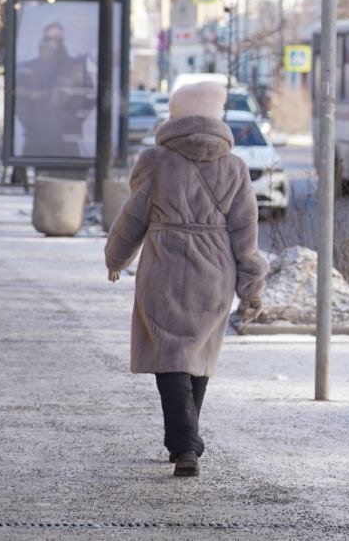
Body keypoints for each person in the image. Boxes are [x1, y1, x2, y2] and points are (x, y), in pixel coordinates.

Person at [104, 81, 267, 478]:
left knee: (169, 352)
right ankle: (186, 438)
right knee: (197, 353)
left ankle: (184, 443)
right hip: (216, 270)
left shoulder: (155, 160)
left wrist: (116, 258)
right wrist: (251, 287)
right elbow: (246, 232)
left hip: (165, 266)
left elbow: (134, 216)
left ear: (176, 115)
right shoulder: (235, 167)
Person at [14, 21, 95, 157]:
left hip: (66, 142)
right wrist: (33, 124)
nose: (52, 43)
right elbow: (20, 101)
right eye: (48, 39)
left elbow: (87, 98)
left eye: (57, 39)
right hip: (36, 141)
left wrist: (70, 123)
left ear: (62, 41)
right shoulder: (30, 68)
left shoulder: (74, 67)